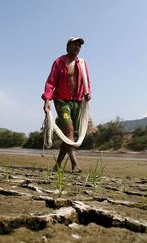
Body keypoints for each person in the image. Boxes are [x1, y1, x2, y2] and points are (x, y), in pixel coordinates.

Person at [42, 36, 91, 172]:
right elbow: (50, 83)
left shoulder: (82, 63)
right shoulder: (59, 62)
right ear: (67, 46)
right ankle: (75, 164)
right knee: (69, 130)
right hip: (61, 101)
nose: (77, 47)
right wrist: (47, 100)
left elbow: (87, 81)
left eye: (79, 46)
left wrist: (88, 92)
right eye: (74, 44)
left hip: (77, 102)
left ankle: (57, 165)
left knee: (69, 134)